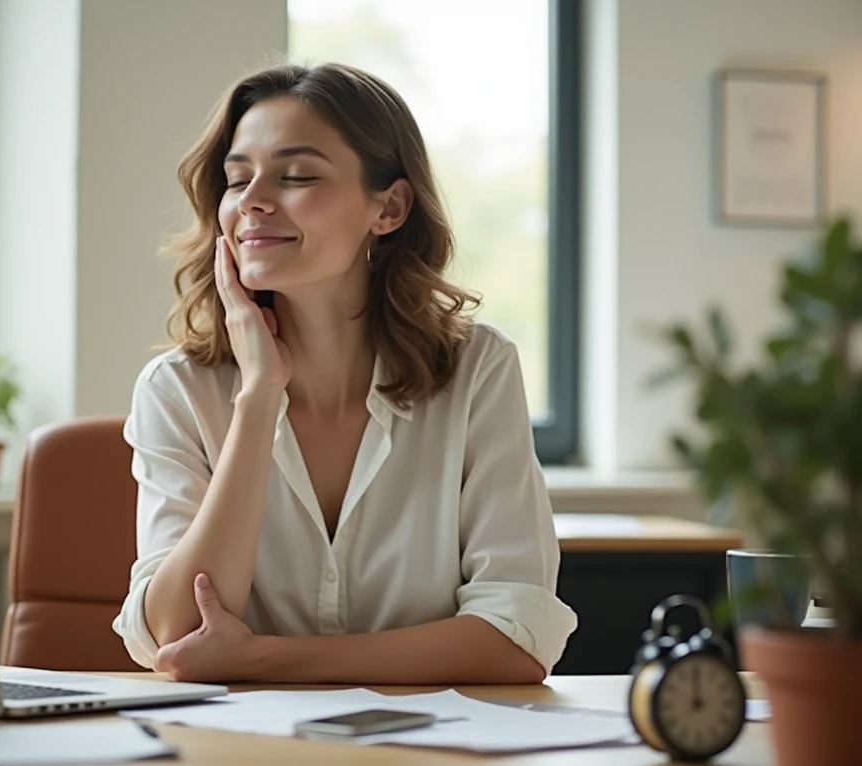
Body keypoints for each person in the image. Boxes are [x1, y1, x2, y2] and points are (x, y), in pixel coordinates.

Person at [111, 60, 577, 685]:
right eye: (236, 179)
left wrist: (263, 660)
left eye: (297, 175)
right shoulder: (177, 389)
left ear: (389, 209)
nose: (252, 201)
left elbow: (516, 640)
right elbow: (175, 633)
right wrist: (257, 399)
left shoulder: (477, 370)